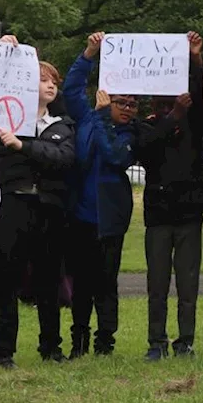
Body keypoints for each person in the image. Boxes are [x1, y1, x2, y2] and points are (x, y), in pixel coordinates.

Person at [0, 34, 76, 369]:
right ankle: (2, 351)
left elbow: (63, 158)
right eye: (43, 78)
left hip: (50, 208)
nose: (51, 85)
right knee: (6, 279)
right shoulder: (4, 121)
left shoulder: (62, 126)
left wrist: (23, 148)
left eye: (54, 81)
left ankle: (51, 347)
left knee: (49, 280)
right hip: (15, 205)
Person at [62, 32, 140, 358]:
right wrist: (89, 54)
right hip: (80, 216)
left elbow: (115, 156)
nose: (126, 108)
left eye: (132, 105)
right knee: (81, 283)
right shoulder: (88, 119)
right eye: (121, 102)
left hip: (110, 221)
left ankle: (105, 343)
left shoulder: (131, 133)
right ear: (108, 98)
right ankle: (78, 339)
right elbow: (70, 90)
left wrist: (105, 119)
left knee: (106, 284)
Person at [135, 33, 203, 361]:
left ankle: (186, 341)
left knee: (188, 283)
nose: (170, 106)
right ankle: (156, 341)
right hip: (159, 215)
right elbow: (147, 150)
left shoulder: (192, 124)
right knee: (157, 283)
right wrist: (172, 116)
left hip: (189, 212)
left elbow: (202, 98)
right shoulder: (145, 128)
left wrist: (195, 60)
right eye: (162, 104)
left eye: (174, 101)